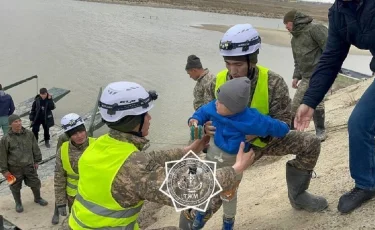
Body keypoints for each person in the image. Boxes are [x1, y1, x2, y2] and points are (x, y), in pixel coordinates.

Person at [179, 23, 328, 230]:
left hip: (264, 140)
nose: (233, 70)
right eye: (228, 64)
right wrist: (203, 131)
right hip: (227, 146)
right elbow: (201, 112)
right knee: (216, 187)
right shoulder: (216, 81)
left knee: (310, 143)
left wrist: (260, 135)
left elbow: (284, 122)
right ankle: (189, 221)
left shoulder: (273, 82)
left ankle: (299, 196)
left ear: (252, 59)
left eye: (238, 64)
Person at [68, 81, 256, 230]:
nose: (149, 118)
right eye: (145, 115)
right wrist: (236, 168)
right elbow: (189, 192)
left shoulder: (97, 146)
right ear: (133, 121)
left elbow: (149, 159)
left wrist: (190, 150)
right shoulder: (133, 168)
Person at [294, 0, 375, 214]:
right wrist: (310, 101)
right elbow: (331, 59)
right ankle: (366, 184)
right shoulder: (339, 12)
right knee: (359, 124)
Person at [188, 77, 290, 229]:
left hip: (234, 162)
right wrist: (194, 120)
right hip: (212, 155)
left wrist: (283, 127)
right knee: (205, 185)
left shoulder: (252, 119)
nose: (216, 102)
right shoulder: (214, 107)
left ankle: (228, 222)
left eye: (221, 102)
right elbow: (201, 112)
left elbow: (275, 126)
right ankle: (200, 213)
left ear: (233, 107)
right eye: (217, 99)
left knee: (229, 195)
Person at [283, 10, 328, 141]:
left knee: (318, 102)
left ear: (295, 22)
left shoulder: (315, 29)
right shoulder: (294, 40)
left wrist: (328, 71)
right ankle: (290, 133)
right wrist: (296, 76)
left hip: (320, 73)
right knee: (295, 104)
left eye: (287, 23)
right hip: (306, 76)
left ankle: (321, 130)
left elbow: (330, 49)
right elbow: (297, 60)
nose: (286, 27)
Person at [51, 113, 96, 225]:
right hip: (74, 198)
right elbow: (59, 178)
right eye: (74, 134)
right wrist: (60, 202)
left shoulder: (97, 145)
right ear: (68, 135)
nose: (79, 136)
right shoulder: (63, 150)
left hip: (95, 196)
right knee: (76, 223)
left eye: (81, 131)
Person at [0, 114, 48, 213]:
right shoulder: (5, 139)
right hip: (13, 169)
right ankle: (18, 203)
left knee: (35, 183)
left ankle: (37, 198)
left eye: (19, 121)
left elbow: (35, 148)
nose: (18, 123)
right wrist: (4, 171)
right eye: (15, 122)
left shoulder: (29, 134)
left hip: (29, 166)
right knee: (14, 186)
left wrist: (37, 160)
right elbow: (2, 156)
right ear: (10, 125)